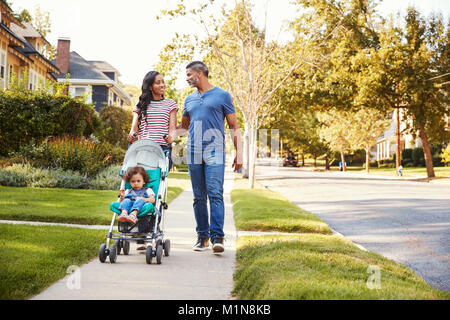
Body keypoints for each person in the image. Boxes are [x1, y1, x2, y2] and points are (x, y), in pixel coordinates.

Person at [176, 61, 242, 254]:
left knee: (215, 192)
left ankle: (217, 237)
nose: (187, 78)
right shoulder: (189, 99)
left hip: (215, 150)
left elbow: (233, 126)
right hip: (194, 151)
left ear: (200, 73)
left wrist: (239, 153)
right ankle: (202, 237)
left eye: (189, 74)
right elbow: (184, 126)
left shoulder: (222, 95)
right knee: (198, 197)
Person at [127, 71, 178, 171]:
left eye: (163, 82)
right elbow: (134, 130)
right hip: (143, 149)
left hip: (162, 150)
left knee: (158, 182)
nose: (162, 85)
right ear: (150, 87)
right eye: (158, 83)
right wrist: (132, 136)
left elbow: (172, 129)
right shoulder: (140, 105)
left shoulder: (170, 104)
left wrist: (171, 138)